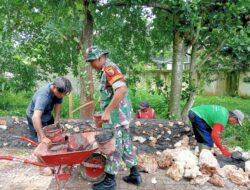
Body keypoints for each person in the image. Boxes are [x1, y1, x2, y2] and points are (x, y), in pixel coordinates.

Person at [85, 45, 142, 190]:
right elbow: (113, 91)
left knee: (113, 145)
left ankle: (110, 181)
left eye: (92, 61)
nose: (91, 65)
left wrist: (107, 112)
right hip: (122, 115)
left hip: (116, 116)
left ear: (99, 58)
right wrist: (103, 100)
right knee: (124, 142)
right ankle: (135, 174)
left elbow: (122, 90)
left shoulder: (109, 69)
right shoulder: (107, 70)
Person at [26, 77, 72, 145]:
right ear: (54, 87)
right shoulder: (43, 96)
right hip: (34, 116)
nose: (62, 95)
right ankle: (39, 151)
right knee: (40, 141)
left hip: (47, 113)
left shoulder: (59, 89)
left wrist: (56, 120)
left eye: (64, 94)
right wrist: (43, 137)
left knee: (52, 133)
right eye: (61, 93)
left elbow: (58, 104)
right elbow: (35, 117)